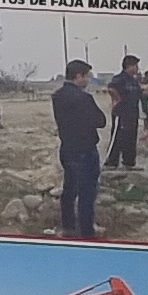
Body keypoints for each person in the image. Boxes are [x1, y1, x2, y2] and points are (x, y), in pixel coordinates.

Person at [52, 60, 104, 237]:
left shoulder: (57, 96)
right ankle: (87, 231)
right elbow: (101, 121)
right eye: (87, 76)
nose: (88, 80)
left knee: (69, 189)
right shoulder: (84, 98)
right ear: (79, 76)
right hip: (85, 150)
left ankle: (68, 226)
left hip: (67, 148)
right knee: (87, 193)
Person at [106, 50, 146, 169]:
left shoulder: (134, 81)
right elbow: (111, 89)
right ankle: (111, 162)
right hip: (121, 114)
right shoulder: (119, 78)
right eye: (135, 65)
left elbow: (139, 93)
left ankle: (129, 162)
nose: (137, 68)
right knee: (118, 137)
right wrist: (117, 100)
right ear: (129, 66)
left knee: (131, 137)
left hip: (133, 114)